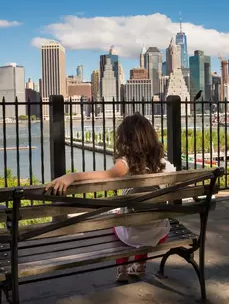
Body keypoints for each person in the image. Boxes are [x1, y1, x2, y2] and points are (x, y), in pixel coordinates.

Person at [45, 113, 176, 282]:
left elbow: (105, 175)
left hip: (131, 234)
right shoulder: (164, 164)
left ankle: (121, 269)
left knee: (119, 221)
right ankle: (141, 265)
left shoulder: (126, 163)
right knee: (146, 217)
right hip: (158, 232)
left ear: (124, 139)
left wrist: (73, 175)